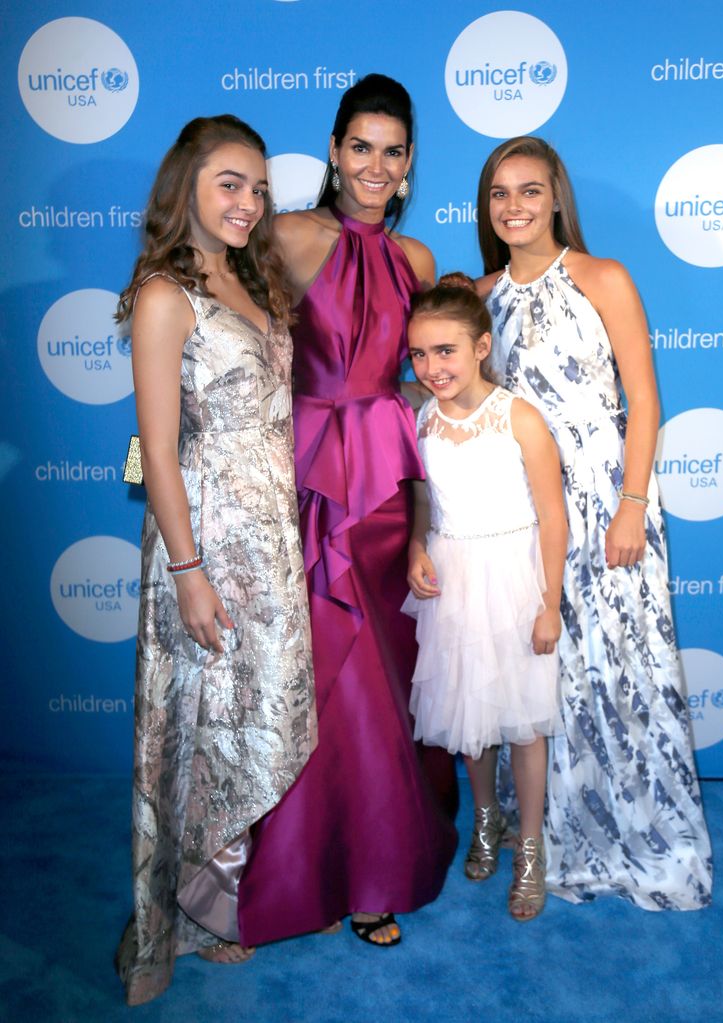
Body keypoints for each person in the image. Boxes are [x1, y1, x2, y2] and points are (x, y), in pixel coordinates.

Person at [237, 74, 457, 949]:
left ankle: (376, 859)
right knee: (326, 670)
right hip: (306, 474)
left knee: (384, 675)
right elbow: (228, 334)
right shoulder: (288, 234)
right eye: (359, 146)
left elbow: (420, 374)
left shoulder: (418, 263)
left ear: (408, 168)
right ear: (333, 152)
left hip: (389, 484)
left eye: (392, 151)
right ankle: (305, 862)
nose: (374, 164)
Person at [476, 136, 713, 910]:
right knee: (553, 674)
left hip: (612, 501)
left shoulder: (603, 277)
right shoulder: (481, 298)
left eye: (529, 191)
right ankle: (554, 831)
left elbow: (643, 400)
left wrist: (632, 505)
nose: (514, 207)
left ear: (556, 198)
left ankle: (646, 830)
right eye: (499, 194)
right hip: (529, 512)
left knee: (625, 669)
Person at [114, 115, 316, 1005]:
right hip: (205, 540)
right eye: (230, 182)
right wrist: (188, 570)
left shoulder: (251, 279)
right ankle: (180, 915)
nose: (248, 202)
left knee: (251, 719)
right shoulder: (167, 295)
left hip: (271, 536)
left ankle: (217, 892)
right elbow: (157, 448)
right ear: (187, 182)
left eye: (259, 187)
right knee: (198, 717)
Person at [402, 278, 567, 921]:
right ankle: (487, 820)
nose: (432, 367)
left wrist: (548, 603)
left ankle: (531, 847)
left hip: (515, 575)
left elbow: (553, 518)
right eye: (418, 355)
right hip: (452, 576)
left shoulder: (517, 416)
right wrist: (418, 545)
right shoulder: (419, 418)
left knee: (523, 722)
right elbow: (421, 498)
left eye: (445, 351)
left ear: (480, 346)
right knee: (469, 715)